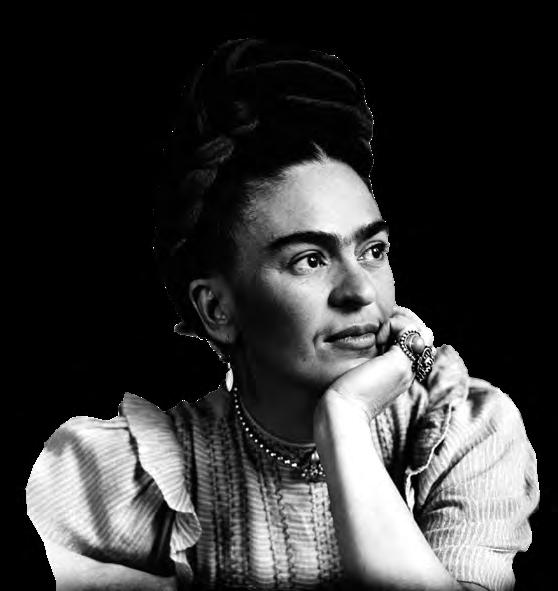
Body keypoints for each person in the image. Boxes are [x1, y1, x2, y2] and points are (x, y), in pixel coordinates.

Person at [26, 39, 539, 591]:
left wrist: (344, 420)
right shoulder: (135, 471)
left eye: (373, 250)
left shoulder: (462, 430)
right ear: (217, 309)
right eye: (310, 260)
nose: (360, 291)